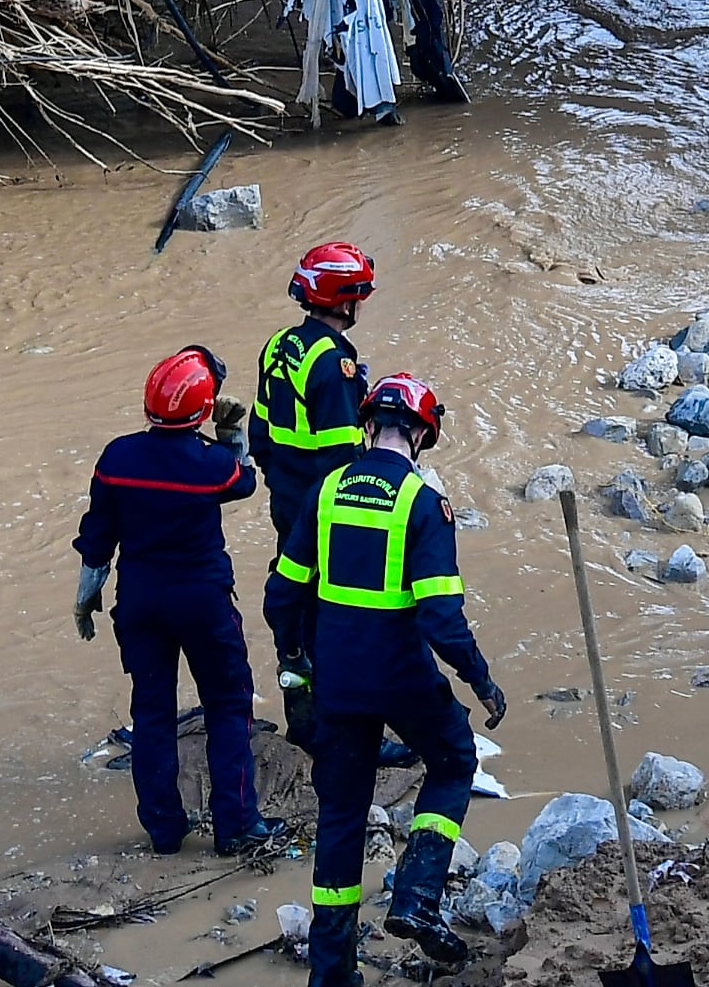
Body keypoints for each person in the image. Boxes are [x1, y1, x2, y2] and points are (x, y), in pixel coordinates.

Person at [263, 375, 504, 984]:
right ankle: (417, 896)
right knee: (453, 759)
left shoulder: (326, 491)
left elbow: (282, 593)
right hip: (401, 676)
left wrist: (293, 661)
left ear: (369, 425)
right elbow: (441, 619)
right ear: (423, 433)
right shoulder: (424, 504)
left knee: (341, 816)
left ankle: (331, 973)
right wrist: (481, 681)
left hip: (337, 681)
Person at [74, 347, 288, 859]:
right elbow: (244, 482)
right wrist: (233, 434)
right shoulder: (209, 464)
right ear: (202, 410)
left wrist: (85, 599)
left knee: (151, 713)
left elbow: (97, 537)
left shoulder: (116, 458)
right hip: (203, 602)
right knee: (228, 708)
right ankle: (236, 826)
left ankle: (164, 832)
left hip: (141, 601)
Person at [252, 242, 374, 719]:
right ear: (344, 302)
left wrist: (280, 480)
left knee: (295, 603)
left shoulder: (280, 344)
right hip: (322, 508)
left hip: (286, 498)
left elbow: (260, 431)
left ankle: (302, 717)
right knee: (333, 615)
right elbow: (344, 456)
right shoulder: (333, 365)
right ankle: (334, 726)